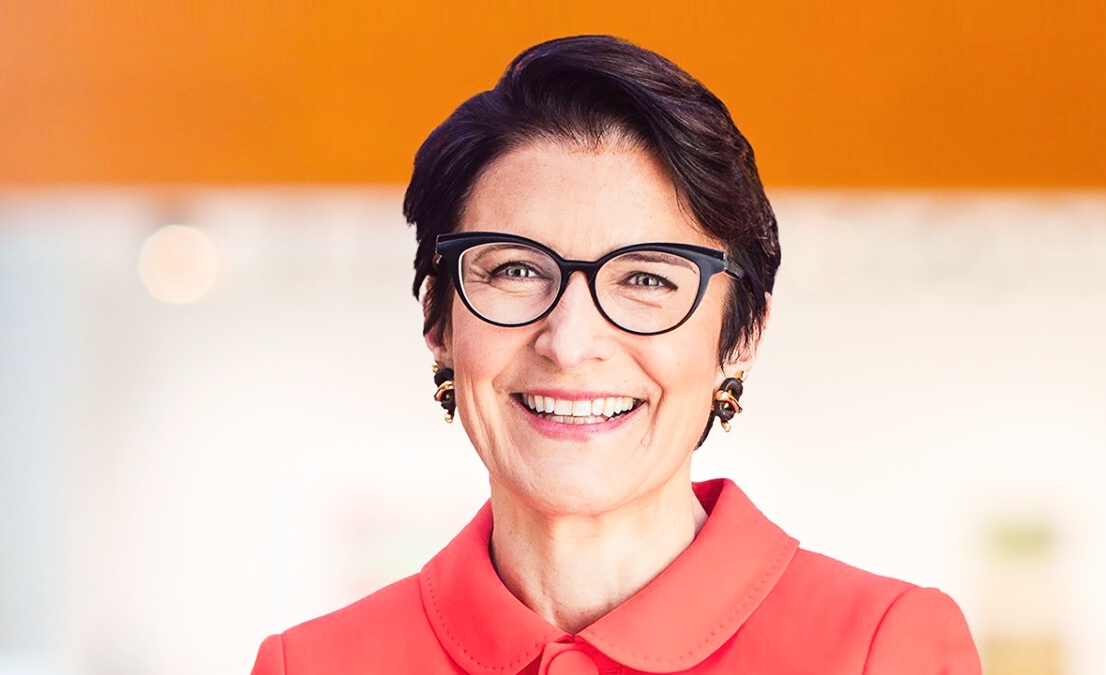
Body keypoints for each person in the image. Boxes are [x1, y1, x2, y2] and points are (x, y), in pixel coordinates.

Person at [250, 35, 981, 675]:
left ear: (741, 336)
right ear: (438, 320)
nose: (570, 344)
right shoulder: (310, 665)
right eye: (515, 269)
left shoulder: (880, 650)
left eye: (646, 280)